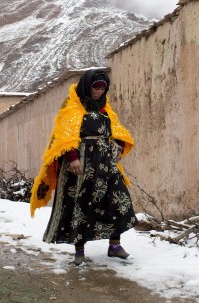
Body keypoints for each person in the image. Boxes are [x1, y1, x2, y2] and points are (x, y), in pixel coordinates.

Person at [30, 69, 138, 266]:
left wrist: (119, 148)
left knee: (116, 200)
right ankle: (79, 249)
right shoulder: (72, 106)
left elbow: (117, 130)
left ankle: (115, 245)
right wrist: (73, 158)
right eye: (96, 87)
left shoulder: (105, 108)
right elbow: (64, 136)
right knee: (80, 202)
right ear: (87, 87)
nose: (99, 92)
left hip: (105, 164)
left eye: (102, 88)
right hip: (80, 165)